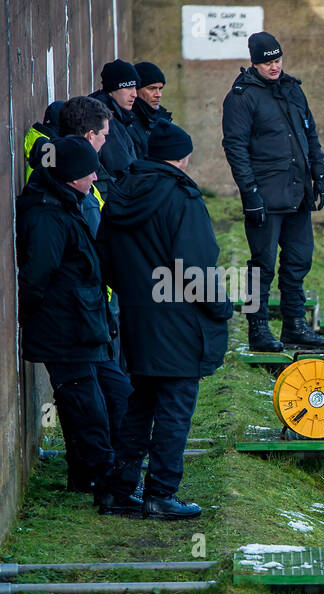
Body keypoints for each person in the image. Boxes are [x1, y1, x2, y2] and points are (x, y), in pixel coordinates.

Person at [97, 123, 233, 519]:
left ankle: (118, 490)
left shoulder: (120, 192)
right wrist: (221, 307)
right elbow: (196, 268)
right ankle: (160, 493)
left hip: (138, 321)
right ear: (182, 157)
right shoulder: (183, 197)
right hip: (178, 325)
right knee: (173, 408)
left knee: (141, 405)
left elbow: (104, 259)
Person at [16, 136, 119, 506]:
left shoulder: (64, 202)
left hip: (75, 323)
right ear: (70, 175)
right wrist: (30, 318)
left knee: (82, 401)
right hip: (65, 328)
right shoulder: (48, 214)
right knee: (86, 406)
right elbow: (36, 276)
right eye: (87, 170)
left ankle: (86, 478)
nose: (94, 176)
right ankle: (109, 487)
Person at [221, 31, 324, 354]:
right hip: (265, 196)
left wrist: (319, 175)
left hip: (298, 193)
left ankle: (294, 325)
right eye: (268, 61)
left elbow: (310, 135)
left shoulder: (293, 90)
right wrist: (250, 193)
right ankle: (258, 328)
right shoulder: (242, 97)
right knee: (263, 263)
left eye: (278, 59)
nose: (274, 66)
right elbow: (235, 148)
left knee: (298, 260)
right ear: (255, 62)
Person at [88, 59, 141, 203]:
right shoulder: (105, 119)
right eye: (128, 88)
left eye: (135, 88)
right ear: (112, 90)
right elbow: (120, 168)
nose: (134, 94)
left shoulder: (117, 115)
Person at [128, 61, 174, 153]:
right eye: (152, 88)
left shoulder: (163, 120)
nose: (158, 94)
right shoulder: (128, 122)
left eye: (160, 89)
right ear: (136, 90)